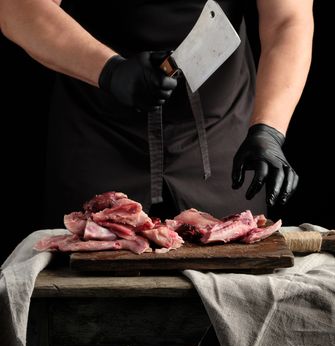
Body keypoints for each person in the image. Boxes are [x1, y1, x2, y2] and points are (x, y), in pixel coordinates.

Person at [0, 0, 313, 223]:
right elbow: (19, 7)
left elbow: (288, 20)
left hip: (220, 141)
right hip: (98, 133)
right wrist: (110, 71)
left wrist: (268, 129)